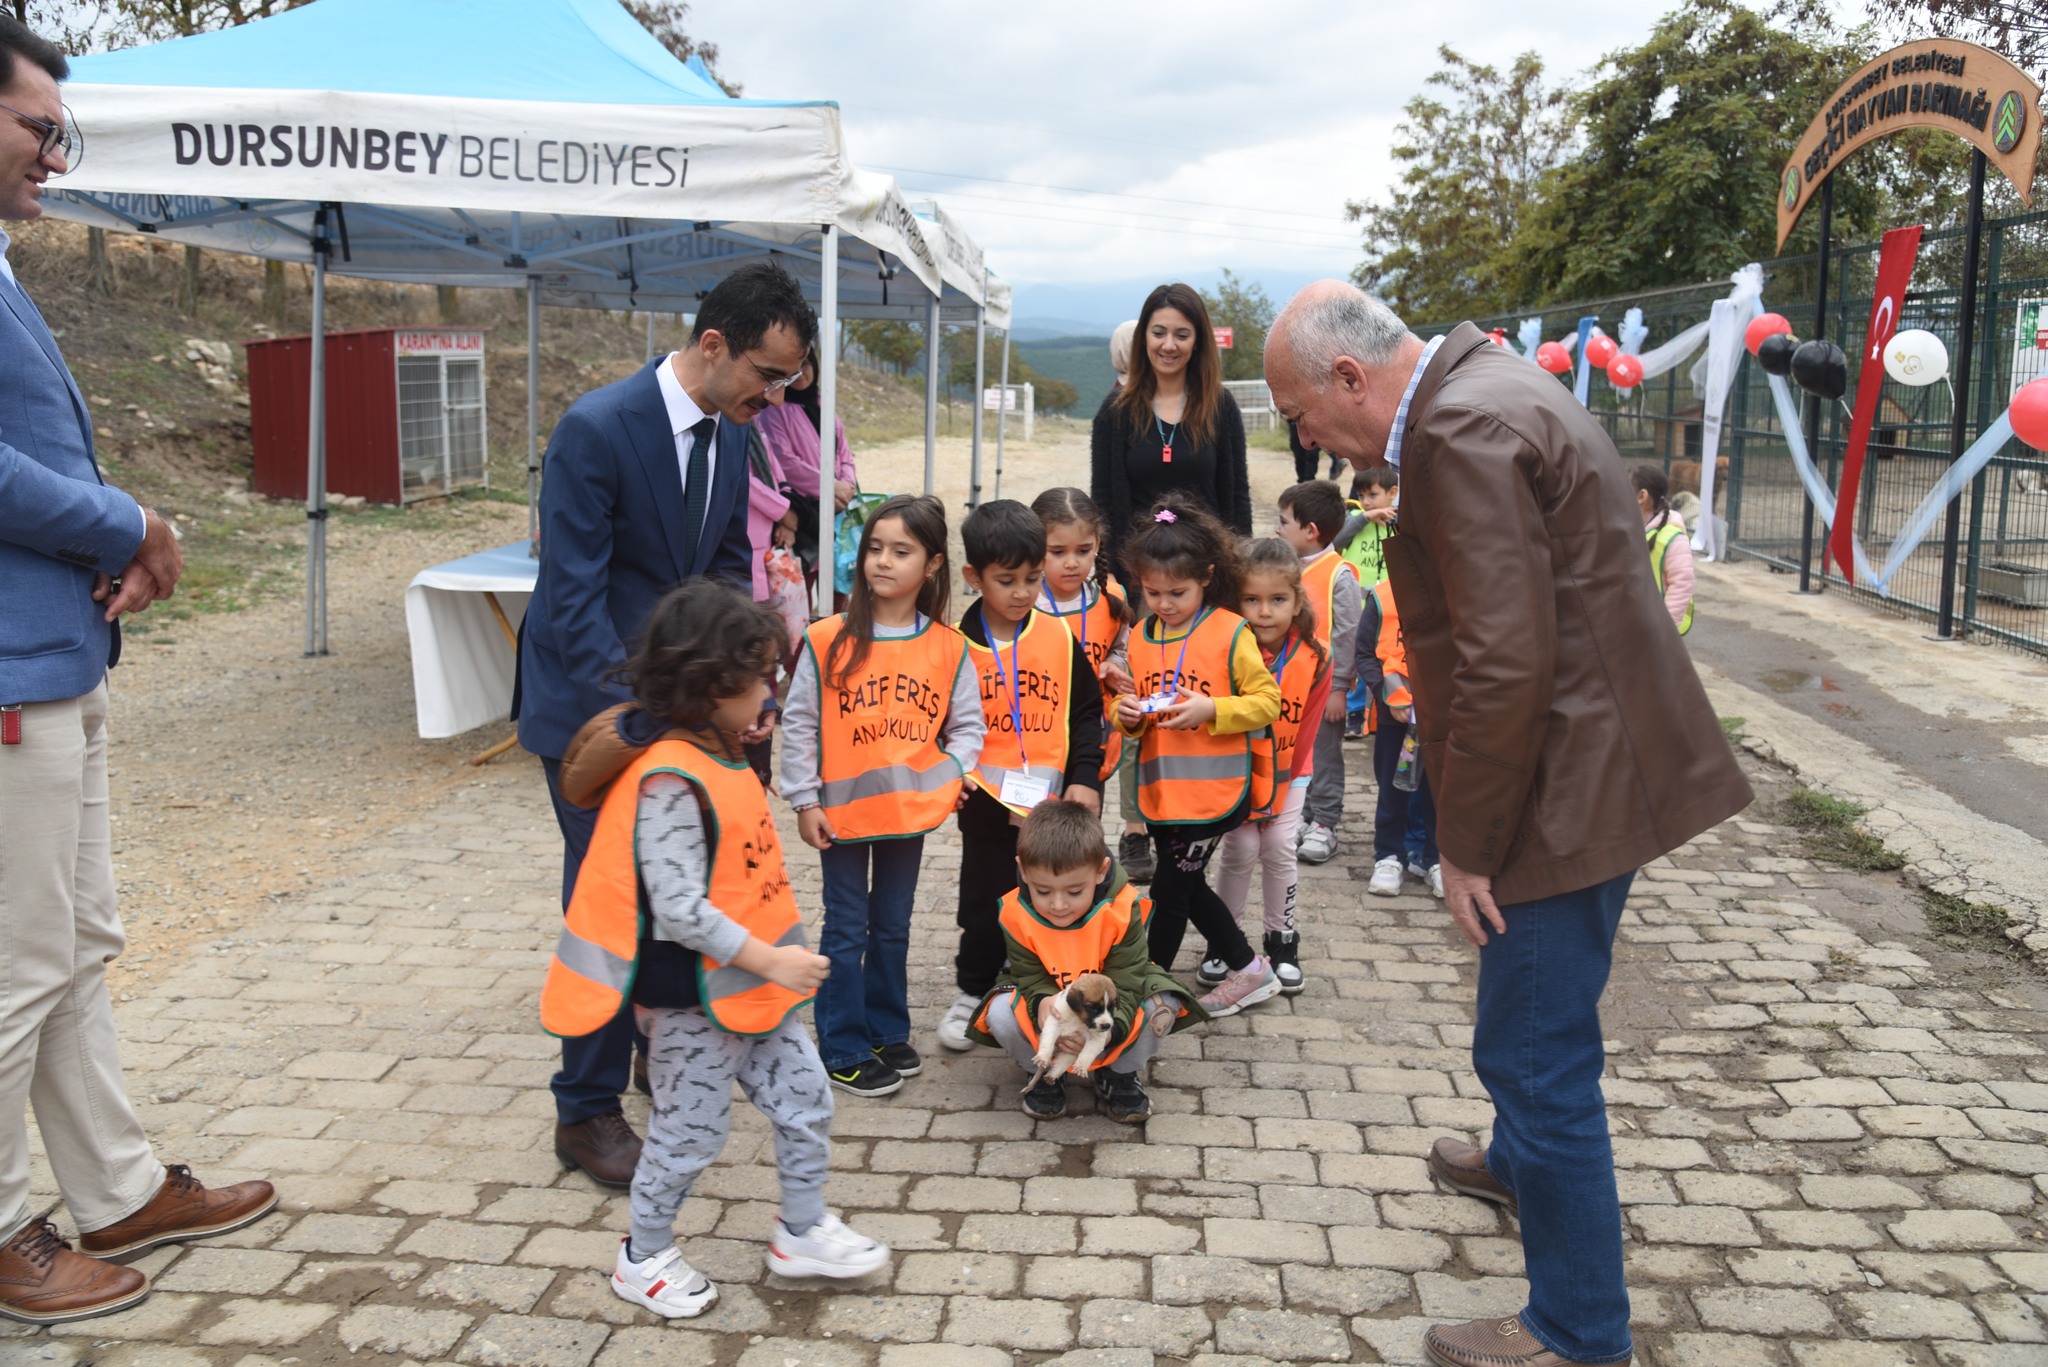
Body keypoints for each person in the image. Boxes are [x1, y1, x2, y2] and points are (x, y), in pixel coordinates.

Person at [1265, 281, 1752, 1367]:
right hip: (1587, 752)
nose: (1306, 438)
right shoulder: (1482, 388)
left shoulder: (1461, 429)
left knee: (1535, 1052)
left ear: (1349, 377)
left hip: (1559, 781)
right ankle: (1516, 1166)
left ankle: (1577, 1330)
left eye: (1300, 413)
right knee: (1528, 1027)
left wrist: (1466, 842)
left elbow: (1502, 658)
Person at [0, 18, 278, 1325]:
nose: (55, 154)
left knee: (74, 941)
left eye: (61, 131)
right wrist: (128, 524)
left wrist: (125, 517)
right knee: (16, 959)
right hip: (13, 673)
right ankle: (7, 1231)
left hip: (55, 657)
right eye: (37, 128)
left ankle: (111, 1184)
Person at [516, 261, 815, 1189]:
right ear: (715, 344)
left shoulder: (734, 440)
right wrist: (651, 720)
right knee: (613, 909)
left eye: (788, 383)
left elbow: (725, 579)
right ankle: (586, 1109)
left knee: (687, 896)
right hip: (598, 721)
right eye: (769, 375)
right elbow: (572, 603)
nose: (775, 397)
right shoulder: (597, 430)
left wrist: (738, 695)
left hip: (682, 719)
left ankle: (663, 1050)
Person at [540, 581, 888, 1319]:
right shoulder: (670, 777)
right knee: (688, 1132)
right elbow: (679, 908)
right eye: (760, 674)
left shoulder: (719, 751)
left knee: (804, 1098)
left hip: (747, 992)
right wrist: (773, 961)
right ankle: (643, 1255)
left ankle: (799, 1231)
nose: (771, 686)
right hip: (693, 999)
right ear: (713, 685)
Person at [781, 495, 985, 1097]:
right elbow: (799, 725)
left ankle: (885, 1029)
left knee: (892, 927)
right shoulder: (826, 639)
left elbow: (968, 726)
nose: (883, 562)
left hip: (909, 816)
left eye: (901, 552)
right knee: (846, 929)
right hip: (839, 819)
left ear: (933, 565)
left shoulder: (949, 647)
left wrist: (955, 773)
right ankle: (841, 1045)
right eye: (874, 548)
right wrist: (803, 800)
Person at [937, 501, 1105, 1053]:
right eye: (1006, 581)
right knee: (984, 901)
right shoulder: (952, 645)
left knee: (1047, 901)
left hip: (1052, 804)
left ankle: (1028, 987)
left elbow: (1085, 712)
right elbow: (938, 723)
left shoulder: (1058, 638)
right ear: (972, 577)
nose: (1022, 592)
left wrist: (1087, 777)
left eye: (1032, 579)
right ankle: (971, 988)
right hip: (985, 802)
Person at [1112, 497, 1281, 1018]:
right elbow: (1138, 716)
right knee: (1183, 882)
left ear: (1207, 577)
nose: (1163, 603)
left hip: (1214, 793)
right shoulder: (1140, 637)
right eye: (1152, 591)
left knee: (1168, 892)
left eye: (1177, 592)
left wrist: (1213, 708)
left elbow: (1267, 702)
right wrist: (1128, 712)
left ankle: (1147, 986)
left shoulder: (1230, 631)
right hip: (1164, 795)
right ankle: (1249, 969)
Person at [969, 800, 1206, 1122]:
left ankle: (1119, 1074)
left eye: (1074, 891)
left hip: (1111, 1006)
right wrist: (1039, 1004)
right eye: (1042, 890)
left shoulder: (1123, 908)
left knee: (1162, 1004)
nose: (1058, 904)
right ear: (1023, 870)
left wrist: (1110, 1032)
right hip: (1057, 1007)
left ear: (1101, 871)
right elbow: (1028, 974)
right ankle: (1045, 1072)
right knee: (999, 1011)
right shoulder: (1016, 913)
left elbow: (1127, 978)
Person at [1211, 538, 1329, 997]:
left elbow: (1309, 732)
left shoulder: (1317, 658)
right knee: (1239, 848)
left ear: (1297, 601)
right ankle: (1226, 942)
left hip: (1288, 774)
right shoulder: (1227, 650)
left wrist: (1278, 790)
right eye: (1252, 600)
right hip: (1238, 774)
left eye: (1277, 600)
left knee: (1279, 845)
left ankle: (1282, 943)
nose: (1264, 612)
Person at [1091, 282, 1251, 582]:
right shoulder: (1115, 411)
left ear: (1198, 341)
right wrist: (1109, 574)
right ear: (1143, 339)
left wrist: (1241, 568)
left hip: (1206, 574)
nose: (1168, 345)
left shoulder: (1220, 406)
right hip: (1138, 578)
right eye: (1158, 332)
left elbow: (1237, 495)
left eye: (1182, 335)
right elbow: (1103, 501)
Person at [1030, 487, 1147, 883]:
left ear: (1098, 544)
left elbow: (1122, 644)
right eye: (1056, 551)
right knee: (1035, 843)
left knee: (1079, 841)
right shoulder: (1022, 600)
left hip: (1090, 744)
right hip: (1033, 744)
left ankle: (1081, 916)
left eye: (1083, 550)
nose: (1071, 563)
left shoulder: (1110, 595)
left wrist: (1115, 664)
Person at [1273, 480, 1359, 867]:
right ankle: (1299, 816)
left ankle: (1324, 821)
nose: (1277, 529)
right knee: (1291, 753)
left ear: (1311, 531)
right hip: (1284, 686)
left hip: (1322, 688)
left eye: (1283, 521)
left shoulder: (1339, 574)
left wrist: (1340, 688)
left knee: (1323, 756)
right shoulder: (1279, 567)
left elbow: (1347, 634)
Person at [1357, 576, 1439, 899]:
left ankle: (1435, 858)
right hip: (1395, 717)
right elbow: (1365, 653)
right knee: (1393, 787)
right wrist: (1385, 694)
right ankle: (1389, 855)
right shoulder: (1381, 596)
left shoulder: (1457, 587)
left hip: (1440, 716)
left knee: (1438, 790)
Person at [757, 356, 858, 590]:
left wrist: (847, 485)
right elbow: (787, 462)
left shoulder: (824, 404)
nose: (801, 373)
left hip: (837, 505)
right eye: (794, 367)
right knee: (804, 579)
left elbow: (844, 451)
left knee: (838, 579)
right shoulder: (775, 411)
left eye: (806, 365)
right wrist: (831, 486)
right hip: (805, 509)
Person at [1335, 466, 1398, 738]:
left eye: (1373, 495)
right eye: (1362, 495)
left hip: (1391, 611)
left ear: (1393, 493)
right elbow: (1337, 540)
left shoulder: (1399, 522)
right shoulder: (1355, 519)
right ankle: (1355, 712)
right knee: (1360, 662)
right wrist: (1366, 516)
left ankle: (1383, 712)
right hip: (1359, 609)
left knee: (1388, 661)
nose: (1367, 501)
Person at [1632, 464, 1695, 634]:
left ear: (1641, 496)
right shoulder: (1633, 529)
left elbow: (1682, 584)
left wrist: (1665, 630)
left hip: (1659, 630)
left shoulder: (1672, 537)